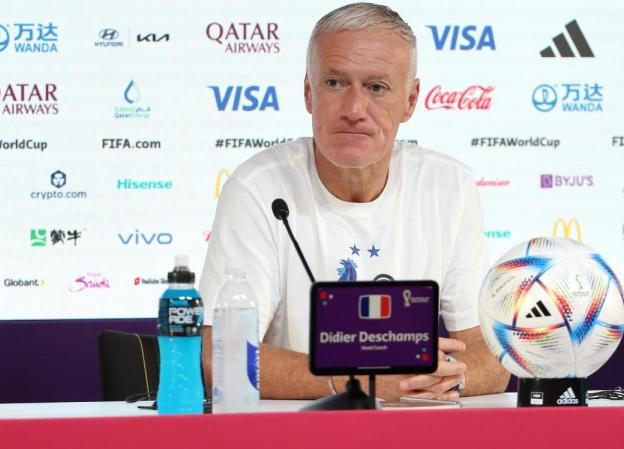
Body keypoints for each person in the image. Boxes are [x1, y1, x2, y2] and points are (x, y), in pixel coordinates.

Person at [200, 2, 508, 400]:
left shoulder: (449, 186)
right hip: (293, 439)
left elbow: (491, 355)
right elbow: (220, 359)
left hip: (413, 435)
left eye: (377, 87)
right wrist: (363, 384)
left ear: (411, 100)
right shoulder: (258, 187)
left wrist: (441, 380)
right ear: (309, 93)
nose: (354, 110)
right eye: (335, 83)